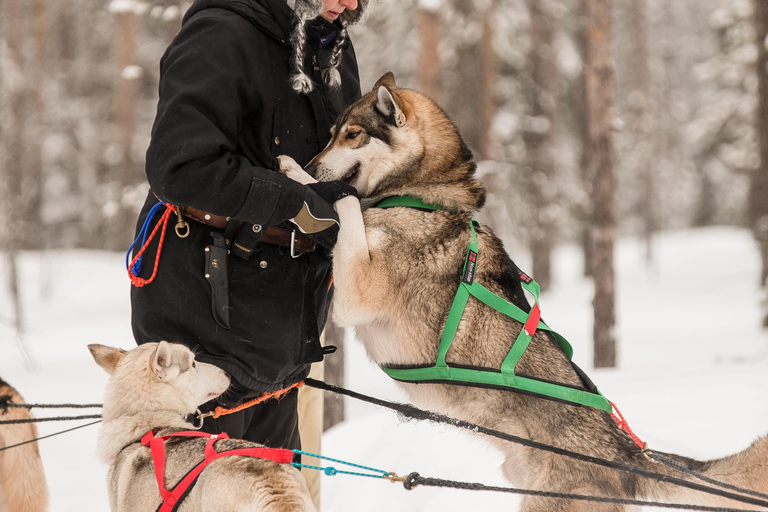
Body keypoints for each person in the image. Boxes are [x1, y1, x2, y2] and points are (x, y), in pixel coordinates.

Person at [129, 0, 366, 451]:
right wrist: (295, 205)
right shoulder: (221, 33)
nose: (349, 4)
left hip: (285, 333)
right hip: (201, 330)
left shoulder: (328, 43)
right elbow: (180, 166)